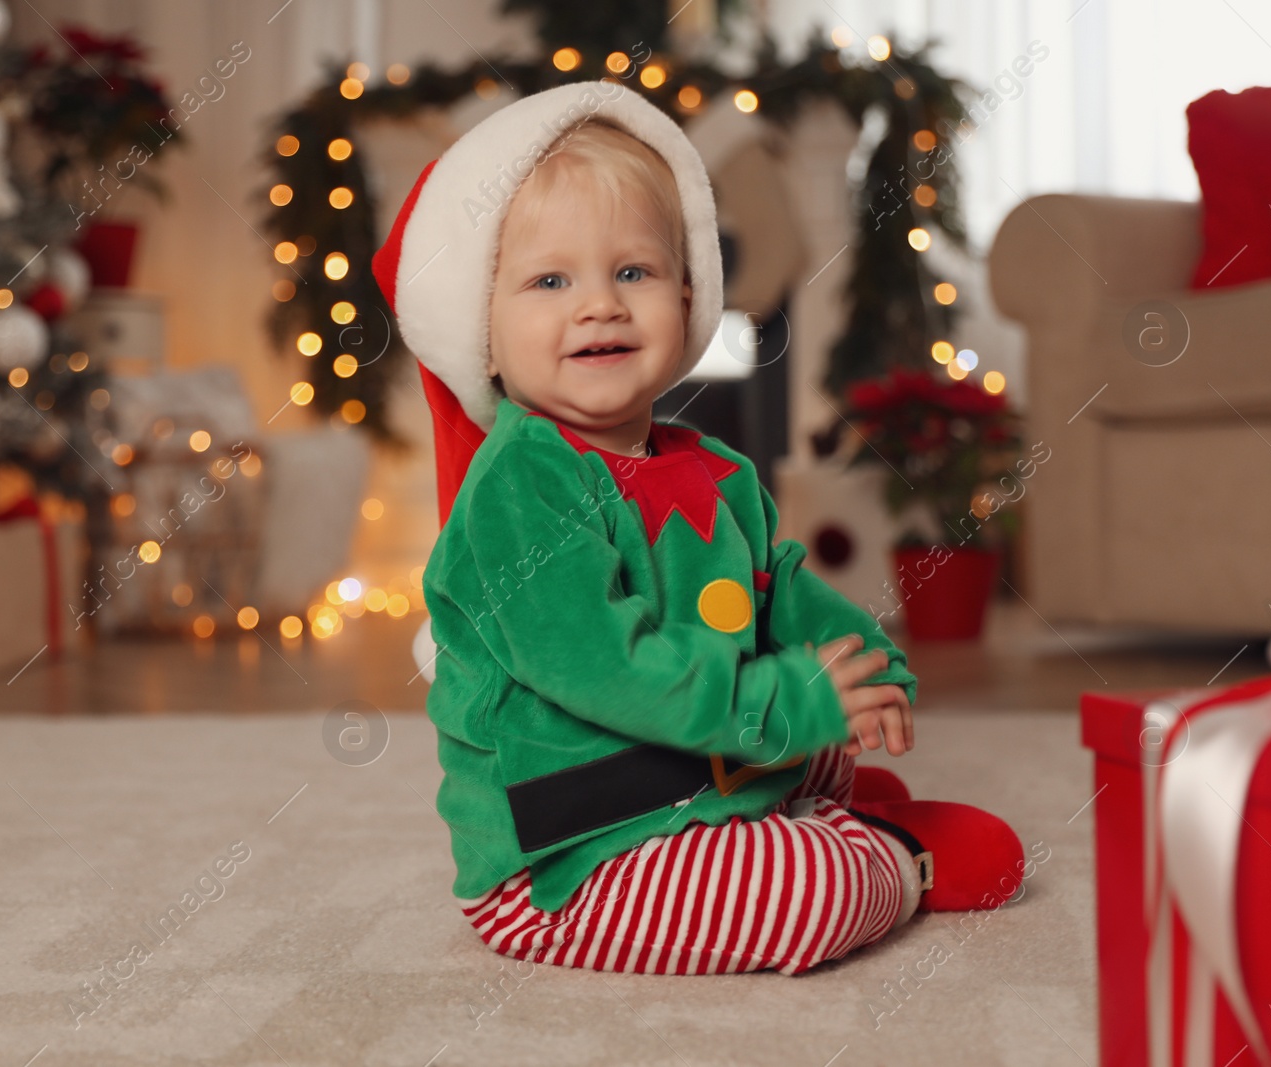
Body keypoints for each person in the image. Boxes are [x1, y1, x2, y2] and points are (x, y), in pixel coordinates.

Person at [371, 80, 1023, 976]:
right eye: (549, 280)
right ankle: (888, 861)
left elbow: (781, 586)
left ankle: (815, 799)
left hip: (704, 778)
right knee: (808, 895)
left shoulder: (715, 468)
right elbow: (608, 666)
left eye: (632, 272)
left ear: (689, 296)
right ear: (482, 333)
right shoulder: (519, 487)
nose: (598, 304)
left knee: (821, 705)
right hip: (573, 853)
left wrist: (865, 660)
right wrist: (788, 704)